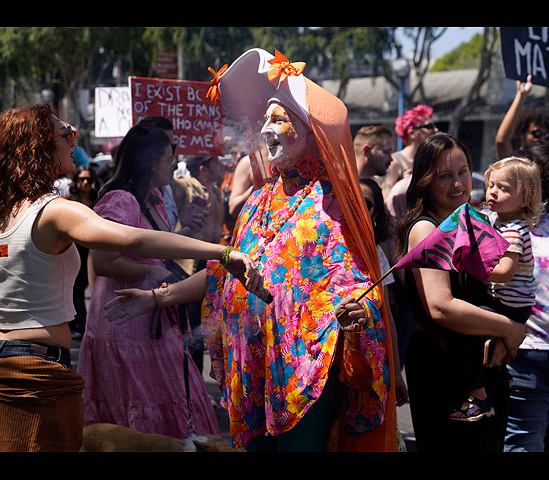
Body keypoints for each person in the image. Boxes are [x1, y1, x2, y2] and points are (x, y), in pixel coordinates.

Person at [104, 48, 398, 452]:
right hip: (254, 366)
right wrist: (156, 299)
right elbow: (227, 270)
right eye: (265, 120)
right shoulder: (259, 201)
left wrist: (359, 309)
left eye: (279, 119)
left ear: (310, 131)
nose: (267, 128)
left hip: (304, 370)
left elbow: (358, 284)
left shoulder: (331, 205)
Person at [0, 104, 261, 452]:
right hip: (34, 369)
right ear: (38, 146)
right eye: (66, 134)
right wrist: (220, 252)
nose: (74, 140)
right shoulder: (54, 211)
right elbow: (133, 238)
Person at [77, 123, 230, 440]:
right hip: (124, 330)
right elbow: (102, 260)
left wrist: (184, 232)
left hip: (149, 322)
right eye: (167, 156)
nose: (173, 162)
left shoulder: (154, 200)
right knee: (134, 424)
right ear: (149, 162)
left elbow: (153, 250)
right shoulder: (121, 200)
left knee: (166, 410)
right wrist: (156, 274)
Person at [395, 132, 527, 452]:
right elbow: (442, 306)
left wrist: (499, 334)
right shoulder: (426, 229)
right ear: (425, 180)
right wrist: (509, 328)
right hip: (444, 371)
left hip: (480, 367)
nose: (458, 183)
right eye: (445, 176)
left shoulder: (468, 221)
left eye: (463, 172)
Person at [447, 157, 542, 422]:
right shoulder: (497, 221)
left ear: (525, 199)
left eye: (504, 188)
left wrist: (467, 262)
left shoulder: (513, 231)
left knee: (464, 332)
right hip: (505, 300)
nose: (493, 192)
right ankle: (501, 375)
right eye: (491, 185)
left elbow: (504, 272)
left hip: (512, 305)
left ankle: (479, 397)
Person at [502, 145, 549, 452]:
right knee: (524, 442)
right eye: (548, 177)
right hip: (523, 351)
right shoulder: (500, 222)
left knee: (547, 440)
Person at [359, 177, 409, 411]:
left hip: (369, 365)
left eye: (366, 203)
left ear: (375, 214)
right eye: (351, 199)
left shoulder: (375, 254)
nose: (357, 206)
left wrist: (396, 373)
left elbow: (387, 317)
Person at [66, 166, 102, 337]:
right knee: (77, 289)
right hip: (75, 249)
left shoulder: (100, 201)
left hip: (95, 250)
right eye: (82, 179)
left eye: (89, 179)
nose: (86, 183)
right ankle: (82, 325)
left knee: (95, 288)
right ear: (76, 182)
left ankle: (87, 324)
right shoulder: (70, 202)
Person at [378, 104, 438, 199]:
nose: (436, 130)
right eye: (429, 126)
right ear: (412, 133)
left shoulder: (433, 160)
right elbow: (385, 200)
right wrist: (404, 184)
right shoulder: (394, 162)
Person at [495, 74, 549, 160]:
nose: (542, 139)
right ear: (522, 133)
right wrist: (521, 96)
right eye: (537, 133)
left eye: (548, 135)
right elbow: (502, 141)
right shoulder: (515, 162)